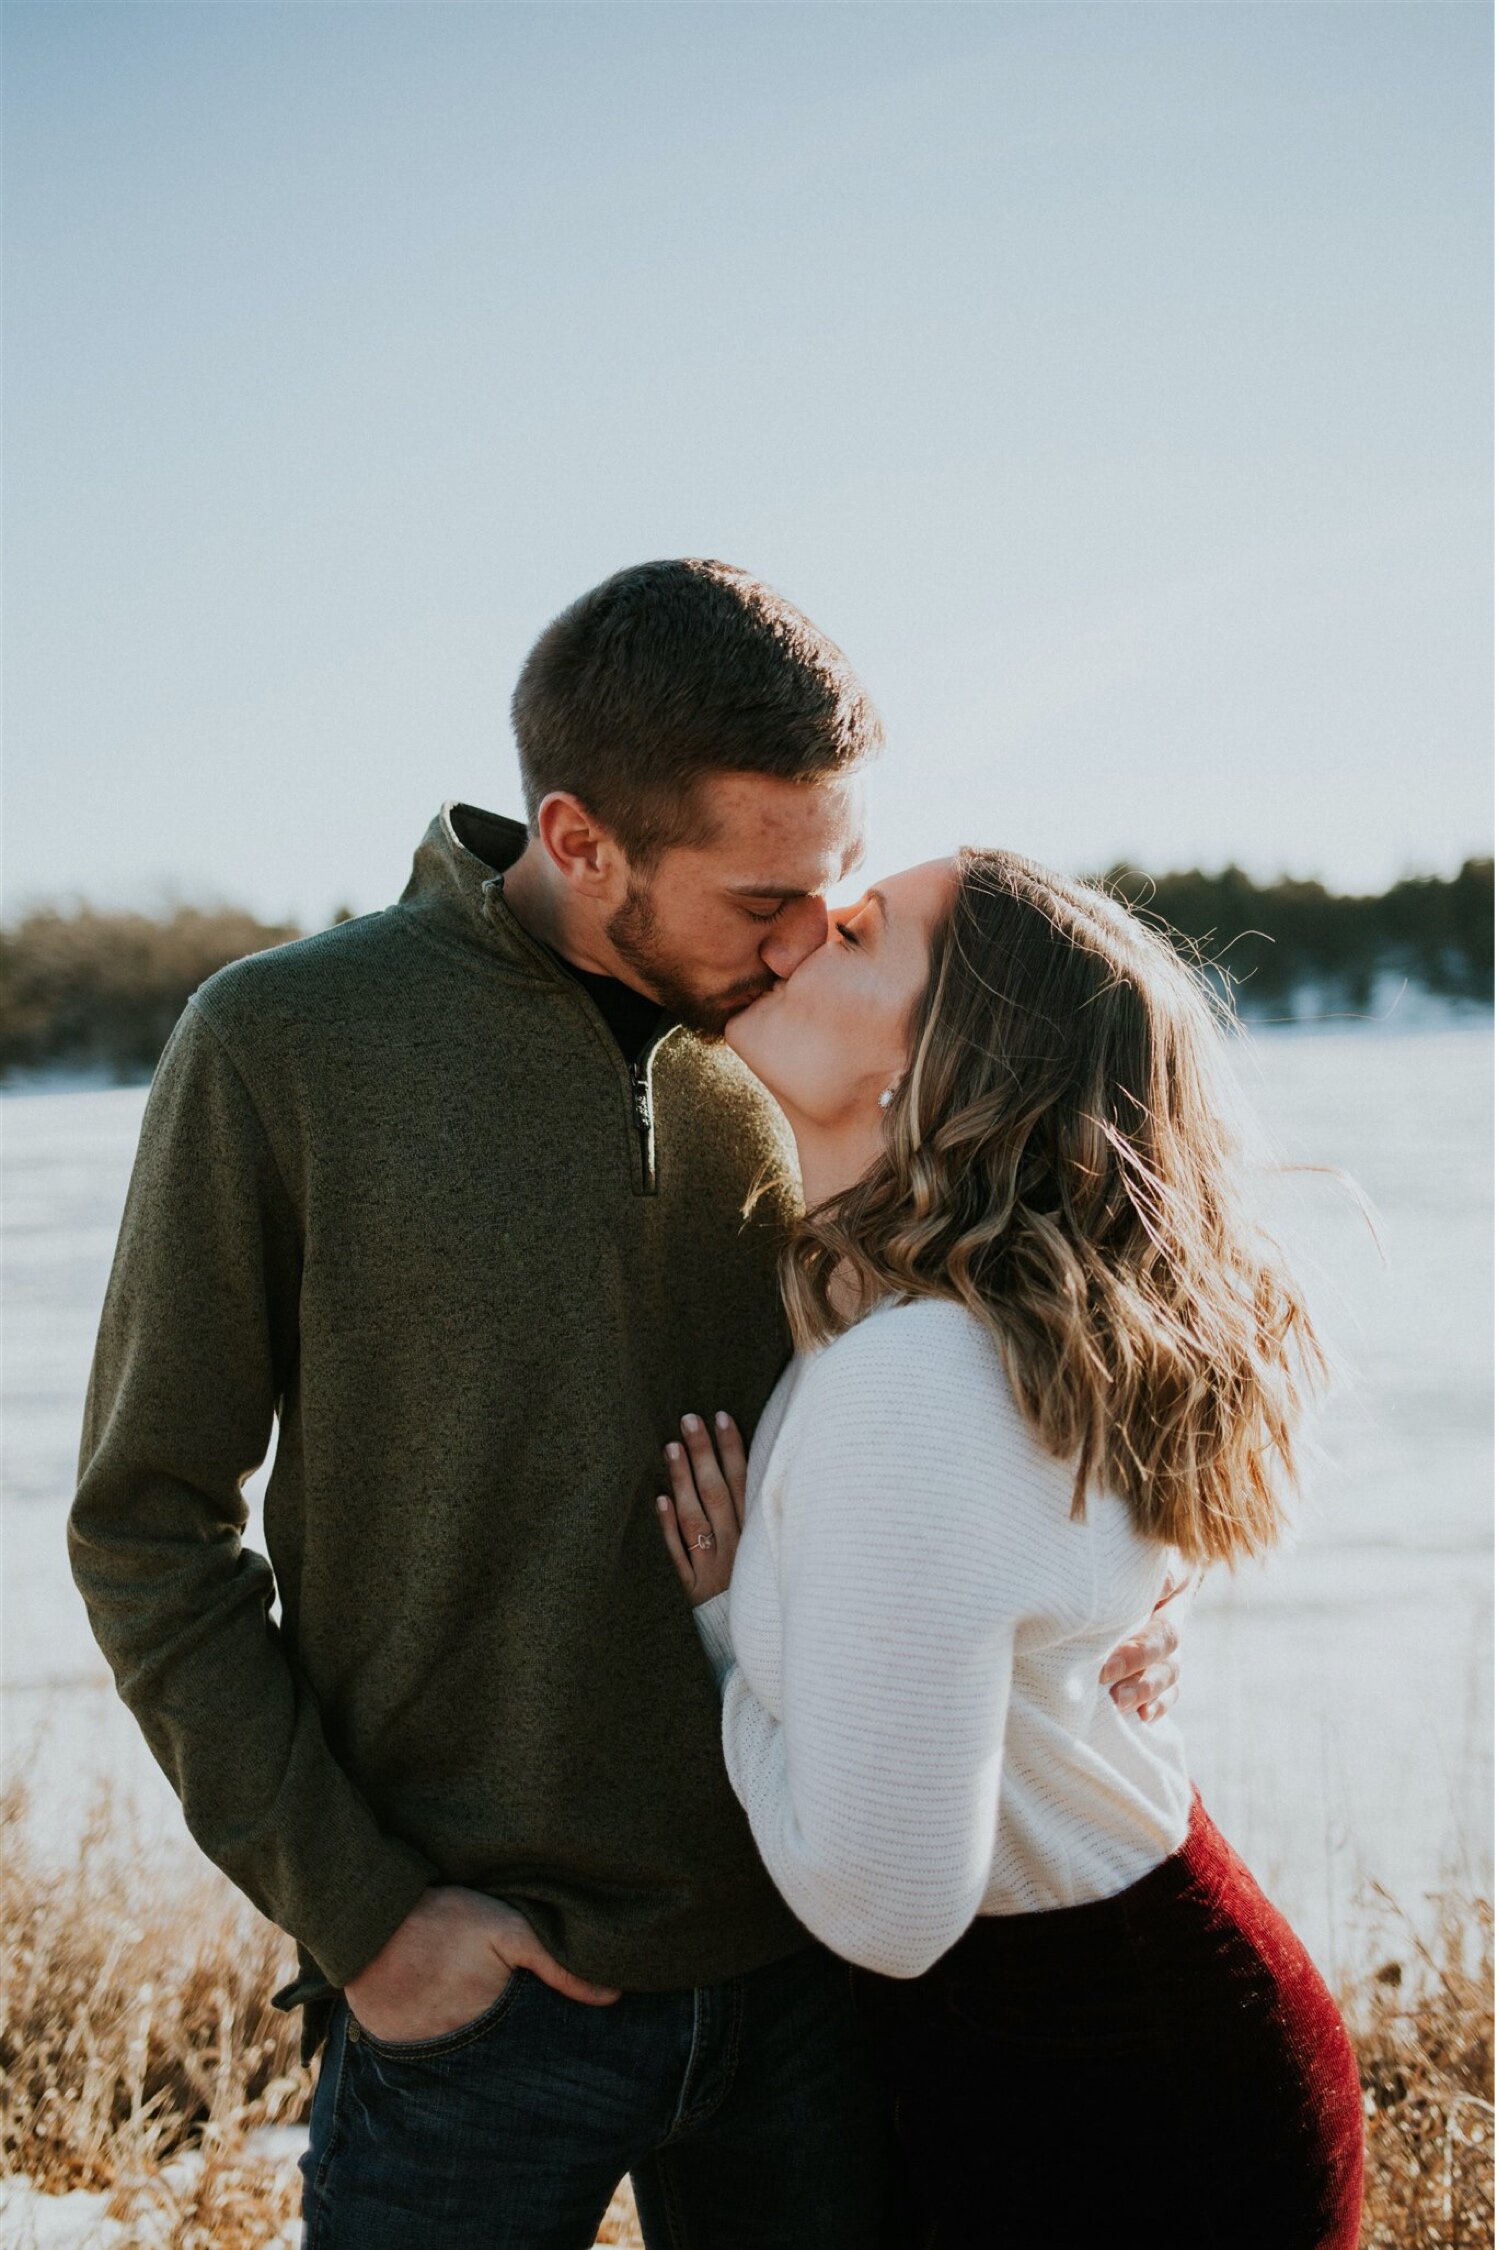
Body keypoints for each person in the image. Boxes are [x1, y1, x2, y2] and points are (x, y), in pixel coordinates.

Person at [69, 561, 1181, 2250]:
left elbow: (1032, 1332)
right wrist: (364, 1918)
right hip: (477, 2004)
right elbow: (148, 1526)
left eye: (833, 887)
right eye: (760, 896)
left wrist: (1117, 1603)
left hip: (808, 1983)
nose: (809, 937)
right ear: (580, 841)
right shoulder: (284, 1045)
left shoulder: (814, 1063)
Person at [657, 848, 1366, 2250]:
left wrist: (734, 1638)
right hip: (1111, 2023)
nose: (796, 932)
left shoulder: (914, 1374)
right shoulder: (941, 1327)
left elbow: (885, 1902)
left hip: (1112, 2093)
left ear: (945, 1061)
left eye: (855, 931)